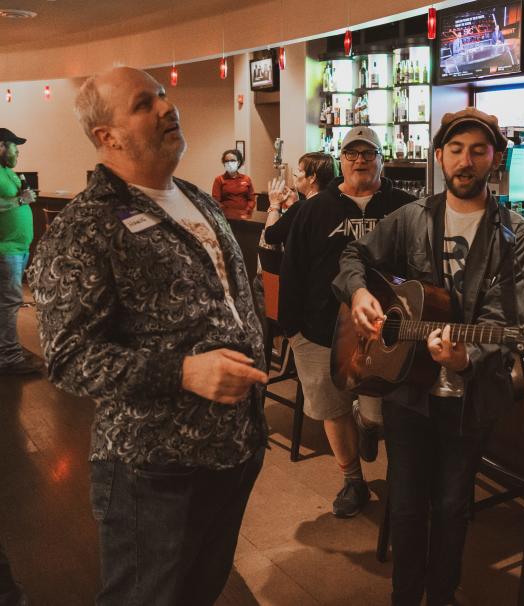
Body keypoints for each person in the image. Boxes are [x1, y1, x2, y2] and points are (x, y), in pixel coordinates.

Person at [26, 67, 268, 606]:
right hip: (154, 470)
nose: (166, 107)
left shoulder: (193, 196)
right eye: (143, 103)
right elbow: (68, 359)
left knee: (199, 591)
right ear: (106, 137)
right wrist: (184, 371)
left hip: (232, 450)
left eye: (163, 95)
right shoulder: (85, 226)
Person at [332, 108, 524, 605]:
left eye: (478, 150)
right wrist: (360, 295)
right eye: (456, 150)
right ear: (439, 156)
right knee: (404, 507)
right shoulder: (411, 217)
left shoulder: (517, 236)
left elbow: (504, 322)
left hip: (469, 398)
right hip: (408, 388)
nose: (466, 161)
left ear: (496, 159)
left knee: (450, 507)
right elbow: (352, 256)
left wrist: (467, 358)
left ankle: (441, 596)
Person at [280, 127, 415, 517]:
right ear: (340, 160)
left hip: (382, 333)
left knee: (375, 413)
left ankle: (369, 427)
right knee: (332, 409)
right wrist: (292, 330)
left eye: (368, 153)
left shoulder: (406, 208)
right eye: (352, 153)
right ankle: (352, 481)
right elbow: (292, 268)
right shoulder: (313, 208)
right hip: (319, 331)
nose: (360, 160)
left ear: (381, 158)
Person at [0, 128, 43, 376]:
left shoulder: (9, 172)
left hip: (18, 249)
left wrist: (23, 196)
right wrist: (20, 201)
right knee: (9, 303)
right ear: (2, 146)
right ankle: (9, 356)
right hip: (6, 251)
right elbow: (16, 202)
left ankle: (7, 349)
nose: (18, 151)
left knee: (6, 303)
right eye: (15, 146)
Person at [261, 152, 335, 249]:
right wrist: (294, 205)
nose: (295, 173)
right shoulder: (334, 204)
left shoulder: (302, 207)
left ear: (312, 177)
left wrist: (274, 205)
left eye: (300, 170)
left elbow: (270, 237)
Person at [211, 148, 255, 220]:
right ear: (224, 163)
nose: (229, 163)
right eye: (227, 161)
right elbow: (216, 201)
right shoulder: (219, 180)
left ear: (238, 162)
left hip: (244, 216)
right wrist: (229, 213)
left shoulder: (246, 179)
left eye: (232, 160)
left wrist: (247, 210)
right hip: (227, 217)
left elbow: (251, 199)